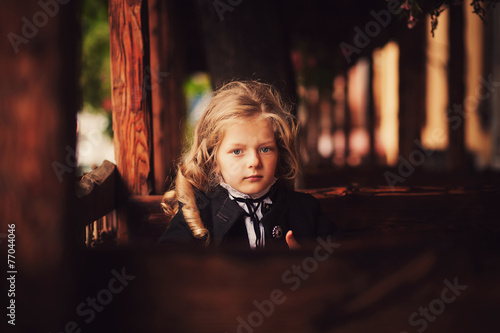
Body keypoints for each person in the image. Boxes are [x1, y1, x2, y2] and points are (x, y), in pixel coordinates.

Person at [158, 80, 335, 249]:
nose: (254, 162)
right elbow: (164, 268)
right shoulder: (198, 213)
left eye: (265, 149)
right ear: (213, 158)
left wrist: (311, 267)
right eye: (237, 151)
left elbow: (348, 263)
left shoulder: (305, 210)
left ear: (279, 151)